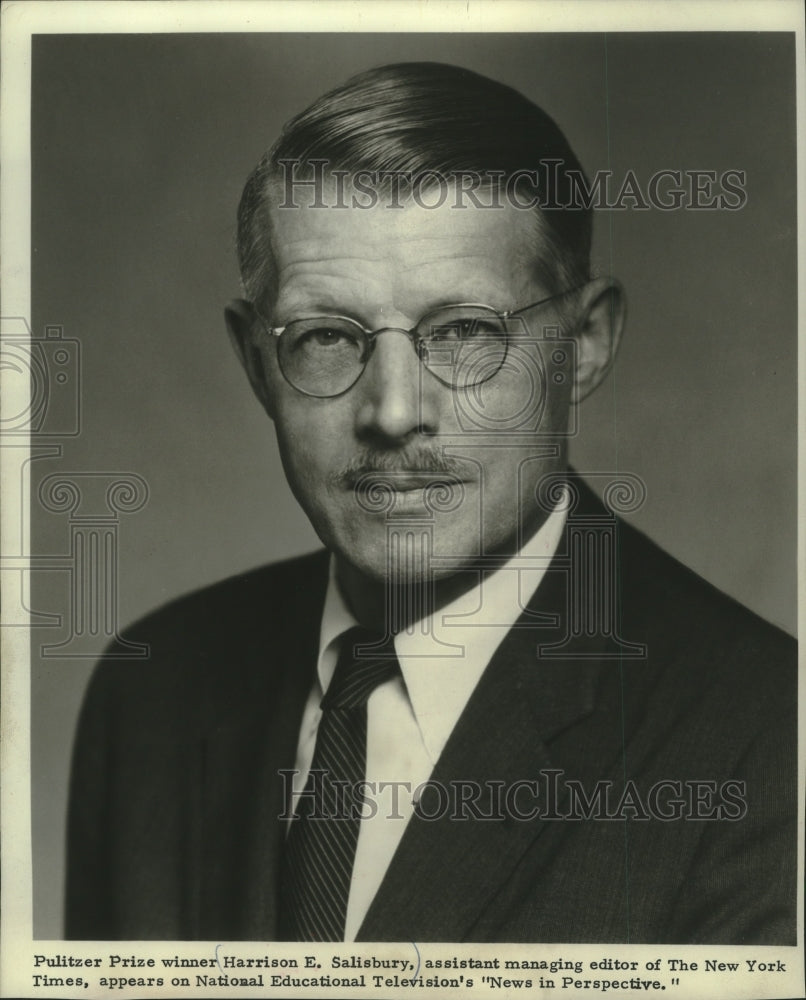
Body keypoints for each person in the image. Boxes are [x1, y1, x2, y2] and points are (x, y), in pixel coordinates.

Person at [65, 62, 796, 944]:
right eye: (329, 337)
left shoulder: (769, 742)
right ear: (258, 364)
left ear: (585, 343)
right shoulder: (154, 688)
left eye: (462, 333)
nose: (394, 411)